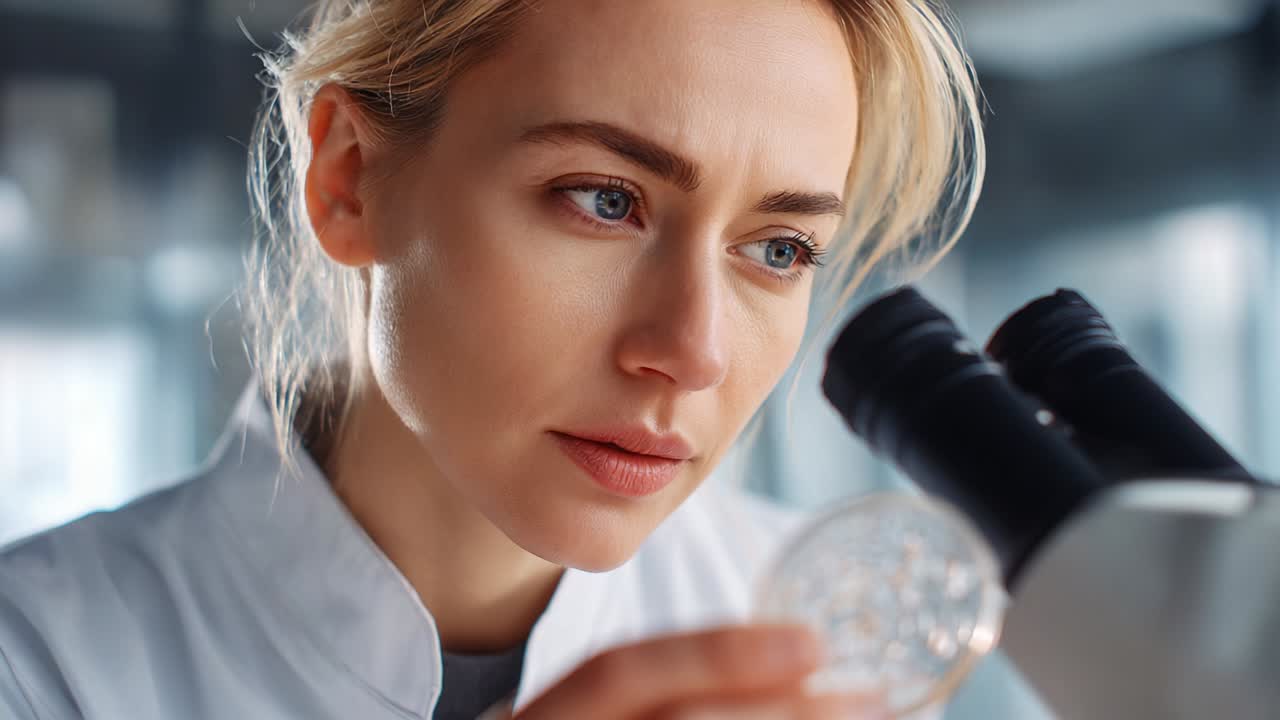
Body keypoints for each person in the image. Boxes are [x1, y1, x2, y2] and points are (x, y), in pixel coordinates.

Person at [0, 0, 983, 717]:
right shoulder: (42, 666)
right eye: (603, 198)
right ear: (350, 181)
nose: (692, 353)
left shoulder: (818, 656)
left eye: (777, 250)